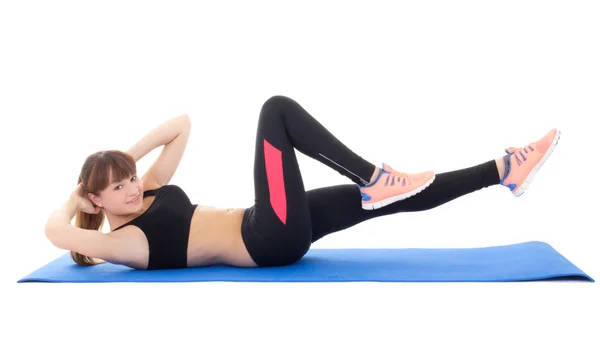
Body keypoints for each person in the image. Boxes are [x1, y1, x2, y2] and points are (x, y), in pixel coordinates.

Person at [44, 95, 561, 270]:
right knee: (276, 111)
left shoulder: (147, 190)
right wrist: (77, 192)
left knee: (402, 198)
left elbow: (181, 124)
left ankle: (504, 172)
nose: (133, 189)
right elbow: (57, 232)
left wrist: (117, 161)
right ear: (95, 199)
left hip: (270, 221)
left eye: (131, 179)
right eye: (117, 189)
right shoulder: (126, 243)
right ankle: (371, 176)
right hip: (268, 240)